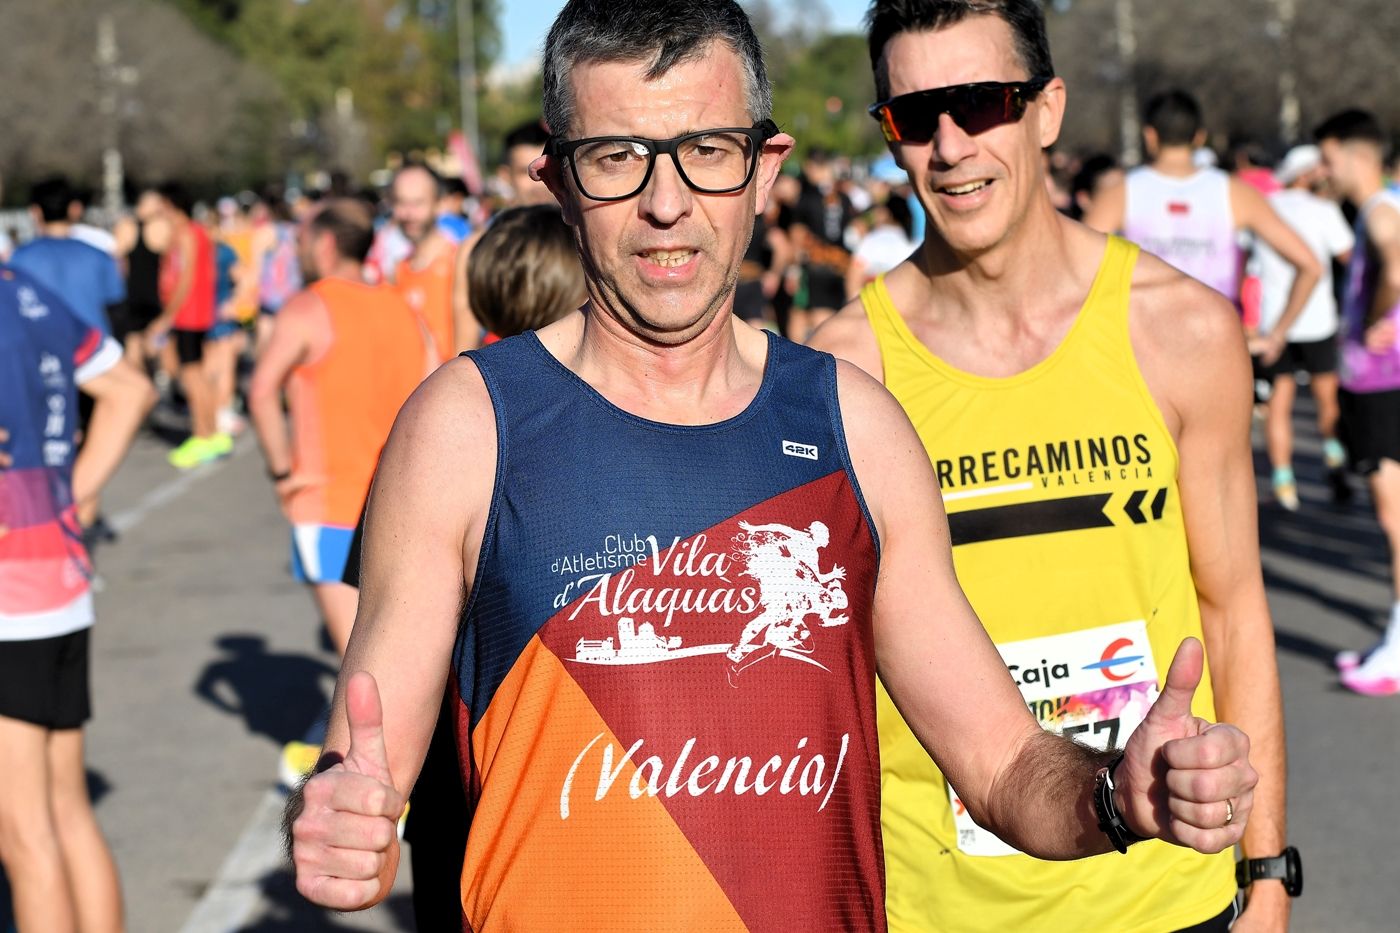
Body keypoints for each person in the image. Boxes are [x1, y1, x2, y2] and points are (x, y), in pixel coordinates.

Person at [285, 2, 1257, 929]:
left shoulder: (854, 429)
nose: (666, 205)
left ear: (762, 168)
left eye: (705, 152)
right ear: (556, 177)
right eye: (616, 157)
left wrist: (1112, 794)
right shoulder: (465, 427)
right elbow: (369, 750)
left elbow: (1003, 769)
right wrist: (344, 814)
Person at [809, 2, 1289, 931]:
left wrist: (1266, 869)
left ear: (1047, 109)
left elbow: (1233, 607)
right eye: (914, 116)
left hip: (1163, 890)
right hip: (938, 905)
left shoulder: (1180, 331)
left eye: (982, 103)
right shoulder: (843, 371)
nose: (950, 146)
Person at [0, 266, 154, 933]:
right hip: (57, 582)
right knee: (65, 812)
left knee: (25, 838)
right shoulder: (20, 287)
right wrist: (72, 498)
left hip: (10, 600)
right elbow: (130, 389)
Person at [249, 197, 431, 659]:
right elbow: (433, 385)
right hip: (400, 500)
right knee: (400, 647)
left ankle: (353, 731)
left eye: (303, 243)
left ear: (326, 245)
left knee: (360, 658)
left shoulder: (308, 307)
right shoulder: (402, 306)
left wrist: (280, 474)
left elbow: (261, 392)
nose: (299, 254)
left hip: (330, 504)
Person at [1084, 89, 1320, 341]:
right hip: (1216, 341)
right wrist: (1276, 335)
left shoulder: (1118, 194)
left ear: (1150, 136)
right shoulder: (1235, 192)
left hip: (1143, 340)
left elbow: (1076, 266)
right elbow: (1311, 266)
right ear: (1199, 137)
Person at [1317, 110, 1400, 697]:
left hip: (1383, 383)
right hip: (1382, 383)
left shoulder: (1378, 209)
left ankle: (1397, 646)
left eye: (1326, 159)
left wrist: (1375, 318)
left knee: (1395, 519)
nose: (1325, 171)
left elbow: (1395, 264)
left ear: (1350, 153)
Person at [1253, 144, 1355, 510]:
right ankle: (1333, 457)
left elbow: (1245, 259)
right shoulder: (1324, 210)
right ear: (1304, 174)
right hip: (1317, 321)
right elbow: (1350, 258)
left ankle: (1284, 483)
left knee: (1279, 405)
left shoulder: (1263, 209)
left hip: (1273, 325)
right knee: (1327, 399)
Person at [450, 119, 556, 353]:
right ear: (505, 176)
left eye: (547, 169)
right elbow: (464, 343)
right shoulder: (476, 248)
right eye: (524, 172)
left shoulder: (586, 240)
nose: (538, 182)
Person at [145, 182, 226, 469]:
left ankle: (202, 434)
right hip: (195, 313)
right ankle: (211, 433)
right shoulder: (193, 232)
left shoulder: (188, 233)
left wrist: (168, 314)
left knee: (191, 375)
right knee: (197, 373)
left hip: (189, 315)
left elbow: (186, 276)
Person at [10, 177, 125, 339]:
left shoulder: (19, 259)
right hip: (95, 348)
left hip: (45, 348)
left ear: (35, 212)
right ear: (74, 209)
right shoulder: (98, 256)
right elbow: (115, 306)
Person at [390, 163, 458, 364]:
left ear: (439, 204)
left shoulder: (458, 261)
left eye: (418, 203)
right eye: (401, 203)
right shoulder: (398, 270)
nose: (408, 214)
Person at [789, 149, 857, 339]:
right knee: (829, 313)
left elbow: (798, 234)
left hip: (815, 264)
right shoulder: (844, 197)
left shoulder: (807, 197)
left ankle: (811, 360)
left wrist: (793, 268)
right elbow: (857, 229)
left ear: (812, 167)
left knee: (810, 314)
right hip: (840, 264)